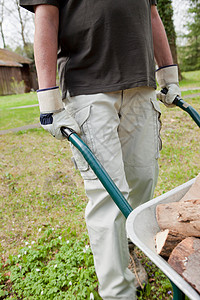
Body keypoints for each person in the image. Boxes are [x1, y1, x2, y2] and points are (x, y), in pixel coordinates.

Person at [20, 1, 181, 299]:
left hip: (141, 83)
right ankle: (117, 292)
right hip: (88, 87)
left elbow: (151, 13)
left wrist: (168, 73)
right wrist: (48, 100)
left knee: (143, 179)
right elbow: (46, 14)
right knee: (109, 195)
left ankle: (127, 249)